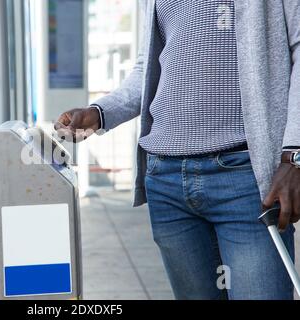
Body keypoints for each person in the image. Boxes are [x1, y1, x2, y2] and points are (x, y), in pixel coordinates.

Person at [55, 0, 300, 300]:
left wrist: (295, 155)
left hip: (246, 178)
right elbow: (148, 67)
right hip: (166, 179)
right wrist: (99, 112)